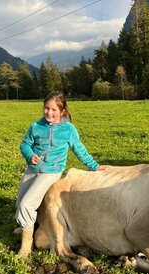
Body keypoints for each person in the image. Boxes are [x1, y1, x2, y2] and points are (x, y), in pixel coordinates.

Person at [15, 91, 106, 257]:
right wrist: (29, 155)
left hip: (51, 172)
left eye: (53, 110)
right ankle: (27, 226)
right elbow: (25, 144)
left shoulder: (68, 130)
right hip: (33, 169)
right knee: (20, 201)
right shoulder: (36, 126)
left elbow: (79, 149)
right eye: (46, 108)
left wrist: (94, 166)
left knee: (26, 204)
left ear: (62, 112)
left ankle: (26, 245)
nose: (49, 113)